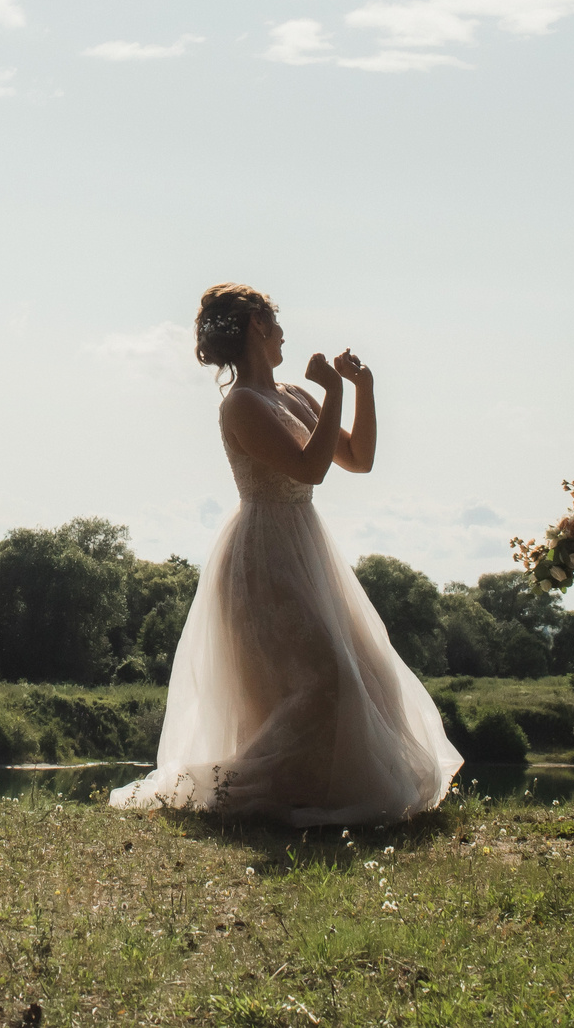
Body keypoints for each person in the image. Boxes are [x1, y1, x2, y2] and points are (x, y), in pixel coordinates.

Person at [111, 283, 463, 825]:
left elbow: (358, 458)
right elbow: (309, 468)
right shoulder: (241, 405)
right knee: (321, 679)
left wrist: (362, 387)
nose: (283, 335)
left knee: (367, 674)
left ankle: (322, 791)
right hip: (263, 553)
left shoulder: (294, 394)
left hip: (308, 546)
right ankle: (263, 792)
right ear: (256, 325)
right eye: (275, 324)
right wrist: (334, 392)